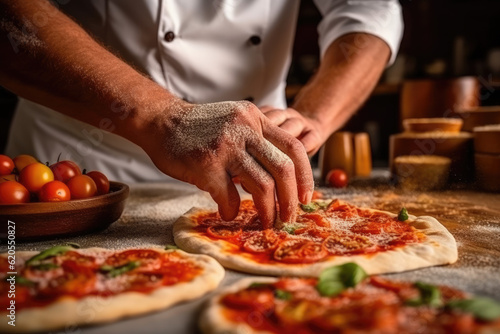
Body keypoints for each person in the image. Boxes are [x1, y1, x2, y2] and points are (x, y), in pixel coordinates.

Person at [0, 0, 403, 227]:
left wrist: (316, 114)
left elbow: (370, 9)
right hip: (80, 175)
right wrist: (164, 117)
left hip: (259, 170)